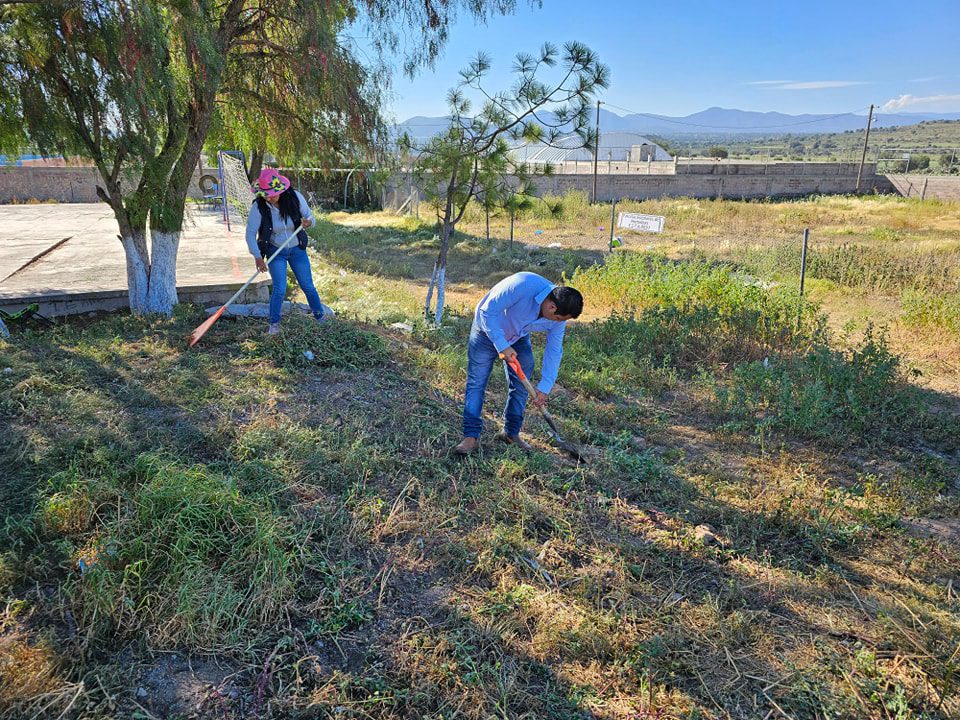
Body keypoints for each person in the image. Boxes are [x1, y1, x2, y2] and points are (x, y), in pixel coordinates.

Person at [454, 272, 583, 456]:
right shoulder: (522, 285)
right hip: (486, 331)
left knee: (521, 386)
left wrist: (545, 386)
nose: (559, 323)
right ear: (552, 307)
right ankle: (470, 437)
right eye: (559, 319)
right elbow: (487, 311)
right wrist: (502, 345)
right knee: (477, 383)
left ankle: (511, 433)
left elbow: (554, 350)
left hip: (517, 337)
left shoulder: (558, 316)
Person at [245, 167, 333, 334]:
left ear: (281, 189)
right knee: (279, 288)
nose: (270, 197)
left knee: (307, 286)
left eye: (273, 193)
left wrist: (308, 223)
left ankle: (320, 318)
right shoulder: (259, 207)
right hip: (275, 250)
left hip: (296, 250)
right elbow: (250, 234)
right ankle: (274, 325)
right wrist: (257, 257)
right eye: (267, 194)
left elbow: (311, 218)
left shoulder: (295, 198)